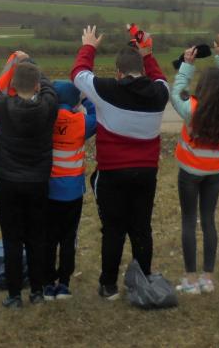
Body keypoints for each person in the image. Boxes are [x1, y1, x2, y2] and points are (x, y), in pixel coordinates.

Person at [71, 24, 169, 300]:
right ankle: (143, 280)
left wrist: (89, 46)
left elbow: (78, 75)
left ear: (118, 72)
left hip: (113, 173)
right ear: (142, 69)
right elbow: (160, 78)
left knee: (113, 230)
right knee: (141, 228)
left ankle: (109, 285)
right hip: (146, 173)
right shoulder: (160, 95)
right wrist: (148, 54)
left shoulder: (107, 89)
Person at [0, 31, 59, 308]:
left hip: (8, 182)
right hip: (37, 184)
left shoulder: (3, 106)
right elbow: (48, 88)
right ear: (36, 86)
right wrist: (30, 60)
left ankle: (13, 295)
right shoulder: (48, 106)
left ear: (11, 84)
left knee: (11, 240)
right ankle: (36, 291)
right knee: (37, 238)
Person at [170, 33, 219, 295]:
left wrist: (187, 65)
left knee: (189, 221)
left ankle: (190, 278)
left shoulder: (192, 108)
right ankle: (207, 278)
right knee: (209, 220)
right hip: (215, 172)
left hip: (189, 171)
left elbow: (176, 92)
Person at [42, 81, 97, 301]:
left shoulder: (45, 121)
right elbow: (98, 116)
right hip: (72, 192)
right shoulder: (81, 122)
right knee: (68, 238)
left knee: (48, 238)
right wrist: (85, 99)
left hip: (48, 191)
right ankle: (64, 284)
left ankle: (47, 284)